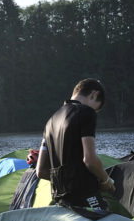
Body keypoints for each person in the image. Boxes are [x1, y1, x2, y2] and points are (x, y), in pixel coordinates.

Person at [35, 78, 115, 213]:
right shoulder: (86, 112)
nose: (93, 111)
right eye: (95, 108)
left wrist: (67, 181)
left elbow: (41, 171)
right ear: (94, 94)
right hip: (85, 195)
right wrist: (106, 180)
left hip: (61, 199)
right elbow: (89, 160)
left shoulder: (51, 121)